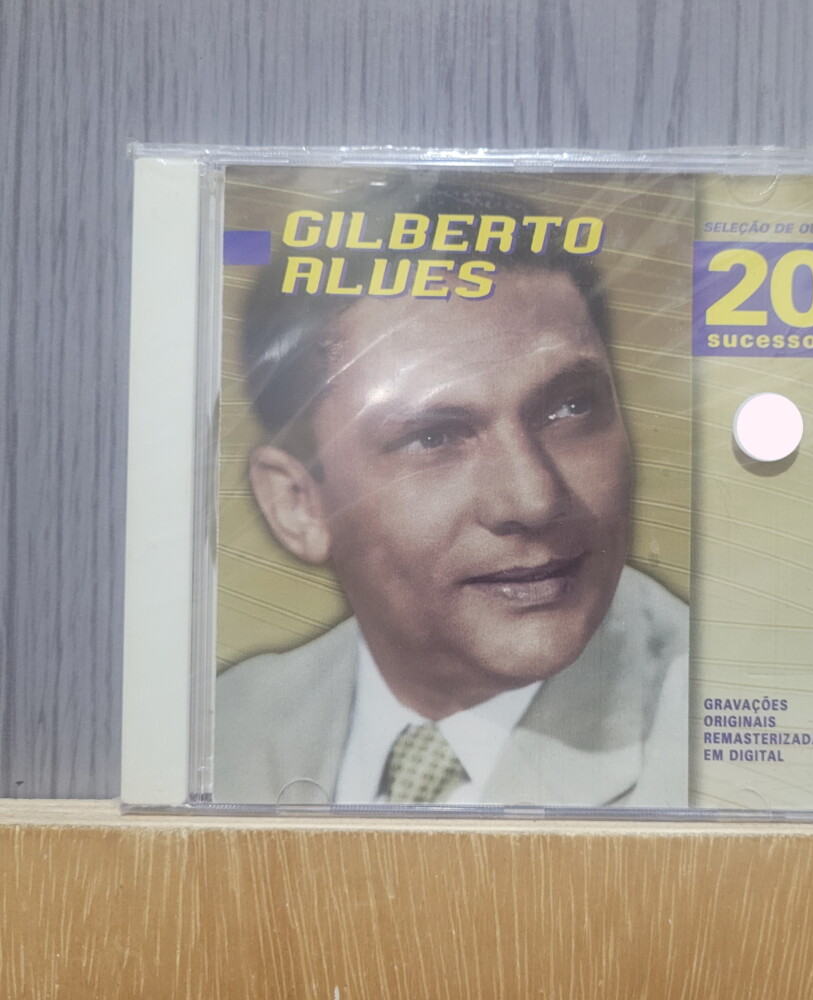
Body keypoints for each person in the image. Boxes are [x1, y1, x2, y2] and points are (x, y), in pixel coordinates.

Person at [214, 179, 688, 808]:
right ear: (299, 505)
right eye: (433, 437)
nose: (533, 499)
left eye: (571, 407)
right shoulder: (227, 729)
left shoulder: (717, 736)